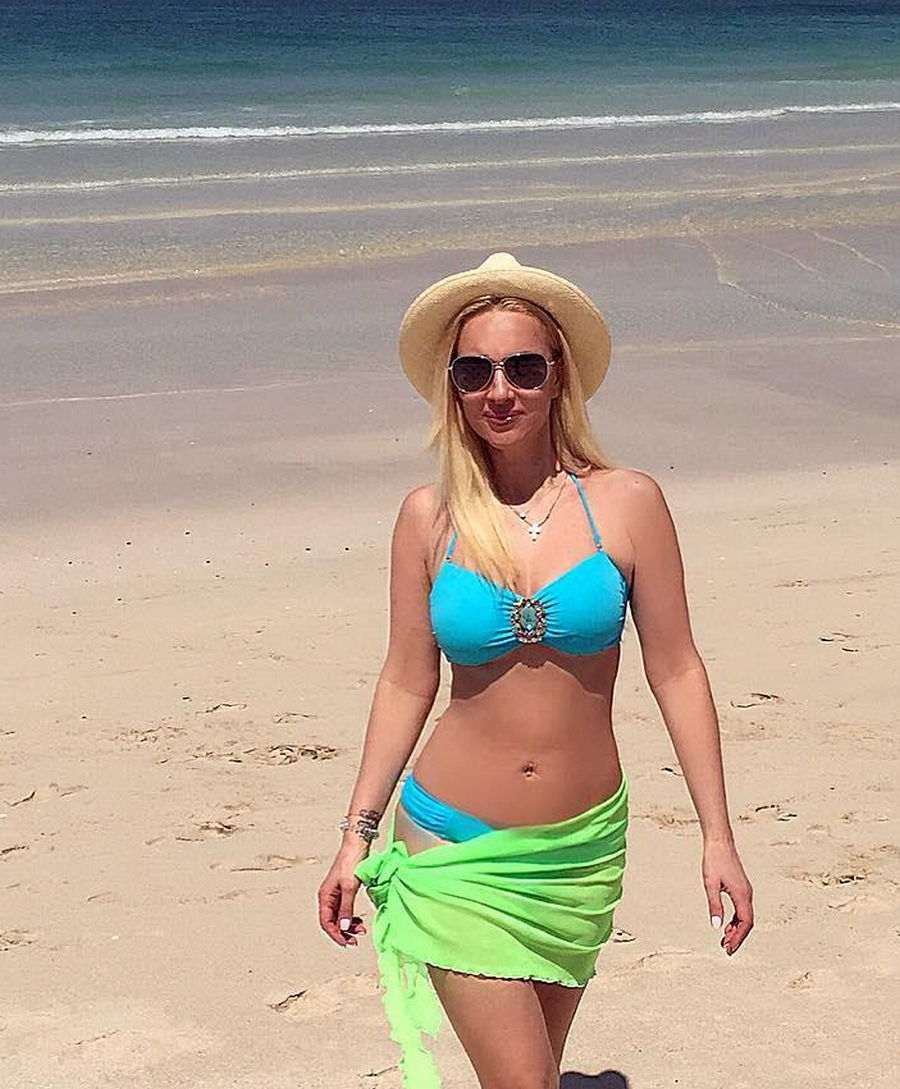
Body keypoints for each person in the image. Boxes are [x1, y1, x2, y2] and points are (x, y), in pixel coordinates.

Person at [317, 252, 754, 1089]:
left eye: (523, 367)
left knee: (533, 1075)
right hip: (453, 843)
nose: (499, 390)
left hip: (579, 850)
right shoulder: (428, 518)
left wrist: (718, 836)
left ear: (559, 377)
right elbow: (407, 679)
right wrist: (354, 834)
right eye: (474, 371)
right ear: (453, 387)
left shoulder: (628, 503)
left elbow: (677, 670)